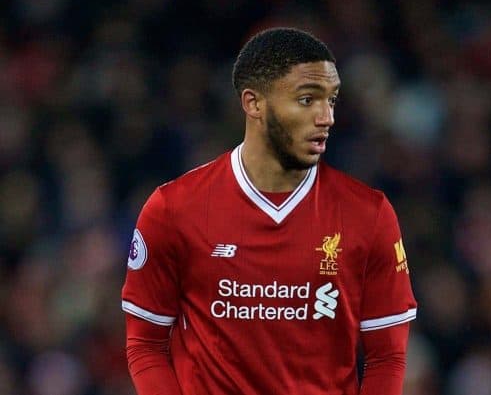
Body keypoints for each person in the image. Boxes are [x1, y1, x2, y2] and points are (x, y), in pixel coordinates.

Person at [122, 27, 417, 395]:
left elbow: (387, 357)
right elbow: (145, 344)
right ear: (253, 103)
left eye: (332, 100)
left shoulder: (369, 214)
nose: (327, 117)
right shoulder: (174, 208)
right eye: (308, 99)